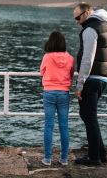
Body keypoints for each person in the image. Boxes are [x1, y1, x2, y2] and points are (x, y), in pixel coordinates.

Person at [73, 3, 107, 166]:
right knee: (89, 116)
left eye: (78, 17)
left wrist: (79, 84)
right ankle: (101, 153)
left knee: (89, 117)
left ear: (88, 12)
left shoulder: (91, 29)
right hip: (103, 77)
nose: (77, 21)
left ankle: (94, 157)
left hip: (91, 79)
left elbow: (88, 59)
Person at [40, 31, 74, 166]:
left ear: (51, 42)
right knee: (64, 127)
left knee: (49, 125)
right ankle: (64, 159)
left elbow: (42, 71)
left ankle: (47, 159)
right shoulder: (70, 58)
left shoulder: (47, 57)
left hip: (49, 92)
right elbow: (71, 74)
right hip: (64, 93)